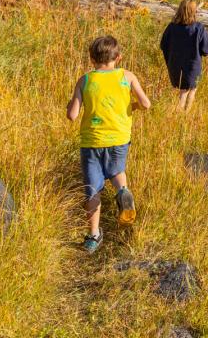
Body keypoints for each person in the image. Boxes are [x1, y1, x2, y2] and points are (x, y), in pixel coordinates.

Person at [66, 35, 151, 254]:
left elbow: (72, 115)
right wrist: (133, 105)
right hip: (119, 138)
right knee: (116, 171)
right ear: (118, 57)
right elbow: (146, 103)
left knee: (92, 189)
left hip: (92, 141)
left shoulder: (85, 80)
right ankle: (123, 191)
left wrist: (72, 103)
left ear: (91, 58)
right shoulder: (127, 76)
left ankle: (94, 235)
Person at [160, 0, 208, 111]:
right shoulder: (199, 28)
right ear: (194, 11)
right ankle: (184, 115)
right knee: (190, 89)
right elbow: (206, 50)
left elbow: (163, 45)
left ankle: (181, 114)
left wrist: (170, 58)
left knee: (183, 89)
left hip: (174, 65)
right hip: (192, 66)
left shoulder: (171, 27)